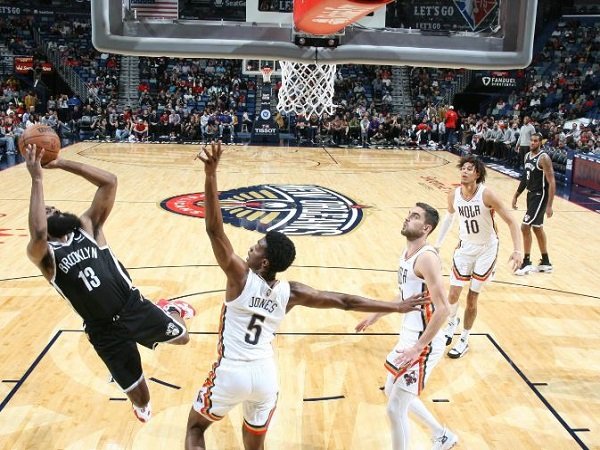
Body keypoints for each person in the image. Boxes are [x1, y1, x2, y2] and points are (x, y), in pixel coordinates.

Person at [185, 142, 430, 450]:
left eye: (257, 247)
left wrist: (210, 175)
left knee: (195, 429)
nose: (250, 247)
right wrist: (397, 306)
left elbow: (214, 230)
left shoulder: (240, 278)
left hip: (231, 371)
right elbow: (345, 301)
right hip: (265, 378)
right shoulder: (291, 292)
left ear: (264, 263)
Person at [24, 146, 196, 423]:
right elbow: (39, 232)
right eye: (46, 210)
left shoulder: (87, 228)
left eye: (55, 208)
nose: (53, 210)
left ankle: (172, 308)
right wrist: (37, 179)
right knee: (142, 400)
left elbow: (109, 182)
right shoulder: (43, 256)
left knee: (182, 337)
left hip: (132, 306)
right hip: (103, 330)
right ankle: (137, 397)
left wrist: (61, 163)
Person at [355, 203, 457, 450]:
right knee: (392, 390)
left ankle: (439, 437)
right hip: (410, 336)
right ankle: (442, 435)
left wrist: (418, 348)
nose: (407, 218)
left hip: (425, 342)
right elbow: (405, 296)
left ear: (426, 227)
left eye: (414, 216)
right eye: (409, 214)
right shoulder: (407, 252)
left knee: (394, 408)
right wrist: (377, 315)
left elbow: (443, 309)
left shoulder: (427, 258)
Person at [434, 155, 523, 358]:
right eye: (462, 168)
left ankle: (464, 338)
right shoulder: (454, 194)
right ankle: (452, 322)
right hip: (465, 247)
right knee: (453, 294)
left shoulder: (487, 194)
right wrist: (437, 245)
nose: (464, 171)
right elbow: (449, 218)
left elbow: (511, 221)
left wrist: (518, 250)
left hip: (486, 249)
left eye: (469, 169)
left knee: (472, 298)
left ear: (478, 174)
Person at [512, 133, 556, 275]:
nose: (532, 143)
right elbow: (525, 177)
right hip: (530, 195)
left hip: (540, 196)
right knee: (537, 228)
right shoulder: (527, 156)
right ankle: (545, 261)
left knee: (525, 227)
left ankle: (526, 262)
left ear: (540, 143)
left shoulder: (544, 158)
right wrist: (516, 194)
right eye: (531, 140)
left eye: (535, 141)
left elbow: (552, 182)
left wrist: (549, 205)